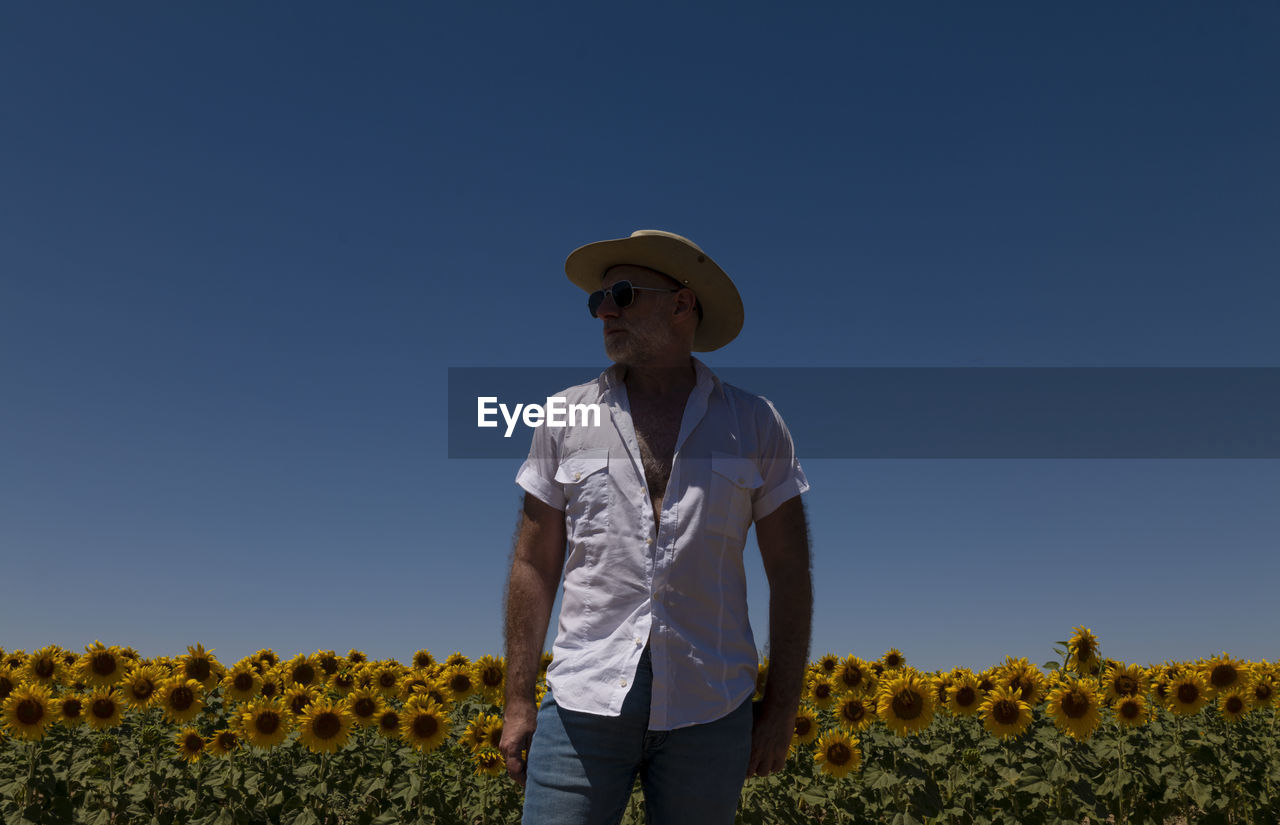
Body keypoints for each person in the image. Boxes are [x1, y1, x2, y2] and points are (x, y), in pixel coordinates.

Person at [500, 229, 813, 825]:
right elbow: (532, 564)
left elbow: (790, 571)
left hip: (712, 706)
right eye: (598, 301)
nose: (605, 312)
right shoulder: (563, 416)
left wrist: (781, 708)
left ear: (681, 303)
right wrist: (517, 701)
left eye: (621, 294)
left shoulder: (756, 423)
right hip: (583, 700)